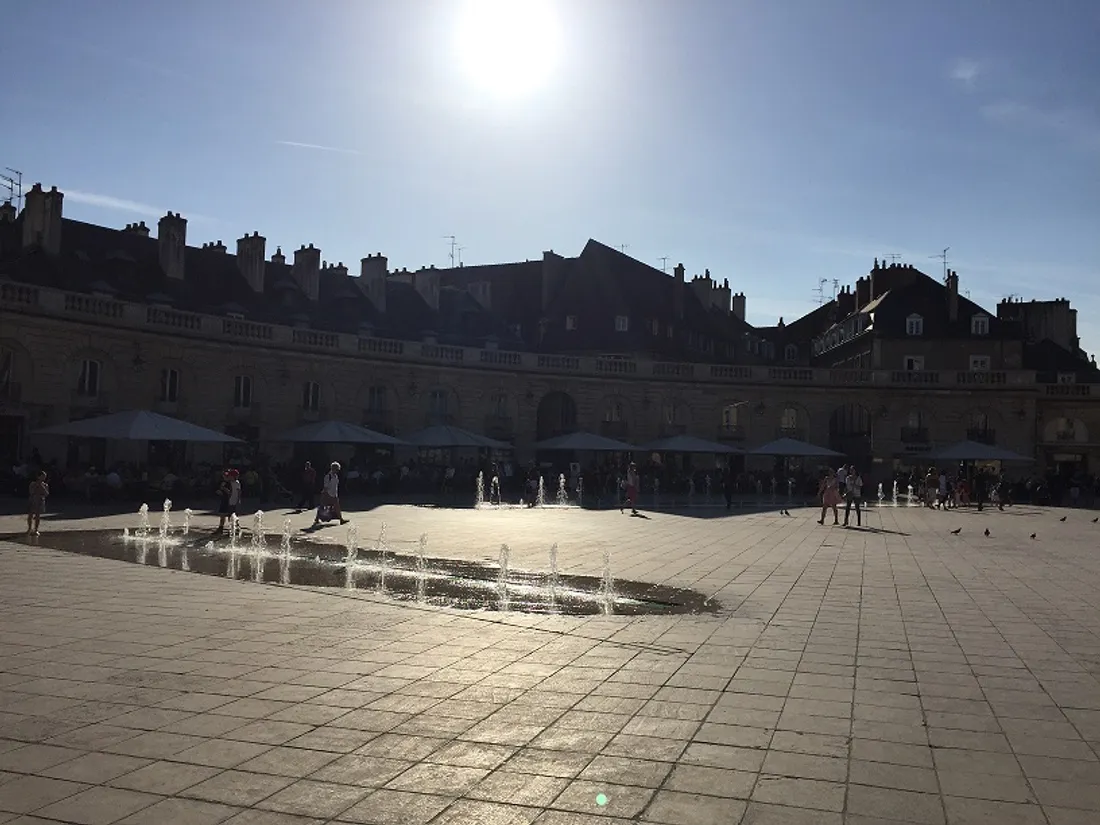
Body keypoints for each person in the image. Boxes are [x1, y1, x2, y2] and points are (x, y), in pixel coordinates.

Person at [316, 462, 349, 526]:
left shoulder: (336, 476)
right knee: (322, 506)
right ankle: (317, 519)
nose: (337, 470)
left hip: (334, 494)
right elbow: (325, 487)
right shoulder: (328, 476)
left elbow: (335, 486)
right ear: (333, 468)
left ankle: (341, 519)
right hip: (328, 494)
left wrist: (336, 494)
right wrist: (324, 494)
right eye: (337, 469)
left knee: (337, 507)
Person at [27, 470, 49, 536]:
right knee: (30, 515)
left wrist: (42, 487)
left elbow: (46, 493)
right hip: (33, 500)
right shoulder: (33, 484)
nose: (43, 478)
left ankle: (36, 529)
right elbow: (31, 492)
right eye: (42, 476)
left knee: (37, 515)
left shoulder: (45, 485)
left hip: (40, 500)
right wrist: (37, 485)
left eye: (44, 477)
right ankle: (29, 528)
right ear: (38, 477)